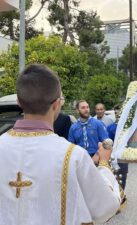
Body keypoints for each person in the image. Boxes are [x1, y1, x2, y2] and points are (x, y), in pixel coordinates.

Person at [0, 64, 120, 224]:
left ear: (19, 102)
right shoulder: (72, 156)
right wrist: (104, 164)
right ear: (56, 104)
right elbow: (105, 208)